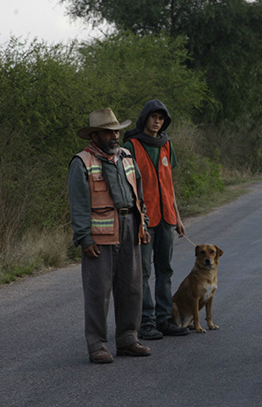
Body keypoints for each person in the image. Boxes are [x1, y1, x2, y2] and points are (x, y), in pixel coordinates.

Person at [68, 107, 152, 364]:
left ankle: (128, 339)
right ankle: (97, 345)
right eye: (108, 132)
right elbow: (78, 204)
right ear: (95, 136)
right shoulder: (81, 161)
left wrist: (144, 224)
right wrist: (84, 238)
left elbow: (139, 193)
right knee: (98, 292)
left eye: (116, 131)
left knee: (132, 288)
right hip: (100, 236)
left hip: (130, 227)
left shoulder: (126, 156)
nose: (114, 136)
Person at [122, 100, 189, 340]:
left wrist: (178, 218)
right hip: (144, 220)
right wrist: (135, 219)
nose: (157, 121)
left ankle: (165, 319)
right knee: (143, 272)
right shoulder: (131, 145)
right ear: (144, 119)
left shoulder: (166, 144)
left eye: (161, 118)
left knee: (165, 269)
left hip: (167, 219)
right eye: (153, 117)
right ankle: (146, 322)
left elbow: (169, 185)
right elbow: (126, 187)